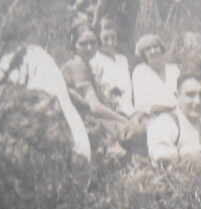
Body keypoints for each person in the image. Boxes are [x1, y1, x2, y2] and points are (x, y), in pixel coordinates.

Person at [60, 23, 144, 153]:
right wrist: (125, 121)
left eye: (93, 43)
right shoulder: (78, 65)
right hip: (82, 119)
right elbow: (95, 107)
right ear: (74, 45)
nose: (89, 48)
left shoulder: (85, 64)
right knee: (138, 131)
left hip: (88, 116)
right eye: (83, 43)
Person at [90, 20, 135, 117]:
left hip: (131, 110)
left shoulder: (122, 59)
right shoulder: (94, 61)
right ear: (98, 39)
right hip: (111, 112)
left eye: (113, 38)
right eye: (105, 39)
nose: (110, 42)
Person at [129, 34, 180, 115]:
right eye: (148, 49)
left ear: (161, 49)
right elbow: (141, 106)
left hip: (178, 115)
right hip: (152, 118)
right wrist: (170, 108)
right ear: (143, 54)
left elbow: (182, 96)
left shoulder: (174, 70)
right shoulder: (140, 72)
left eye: (156, 47)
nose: (153, 51)